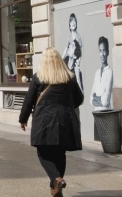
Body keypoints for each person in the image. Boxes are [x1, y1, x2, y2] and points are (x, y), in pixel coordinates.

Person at [19, 47, 84, 197]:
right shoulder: (69, 77)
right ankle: (55, 187)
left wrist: (23, 119)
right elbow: (79, 99)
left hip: (44, 120)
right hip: (65, 120)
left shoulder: (38, 77)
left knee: (43, 152)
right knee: (60, 153)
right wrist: (65, 106)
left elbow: (28, 101)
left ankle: (57, 179)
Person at [91, 36, 113, 111]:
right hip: (96, 115)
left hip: (106, 115)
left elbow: (105, 101)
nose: (102, 54)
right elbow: (91, 99)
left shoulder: (109, 72)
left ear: (108, 52)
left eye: (104, 50)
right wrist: (98, 99)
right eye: (100, 51)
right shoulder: (97, 73)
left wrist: (95, 98)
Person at [63, 13, 84, 92]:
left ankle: (79, 91)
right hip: (71, 59)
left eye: (74, 21)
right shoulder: (69, 37)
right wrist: (62, 58)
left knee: (77, 76)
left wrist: (78, 62)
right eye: (71, 22)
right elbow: (66, 48)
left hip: (76, 60)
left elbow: (80, 51)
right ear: (69, 24)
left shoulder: (78, 37)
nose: (73, 23)